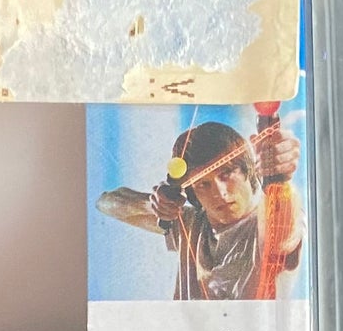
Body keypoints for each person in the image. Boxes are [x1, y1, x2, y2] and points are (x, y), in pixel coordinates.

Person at [96, 116, 303, 300]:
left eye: (227, 174)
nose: (220, 192)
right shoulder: (190, 224)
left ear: (247, 171)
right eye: (203, 184)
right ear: (192, 192)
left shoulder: (268, 222)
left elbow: (283, 233)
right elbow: (106, 203)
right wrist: (155, 204)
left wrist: (279, 180)